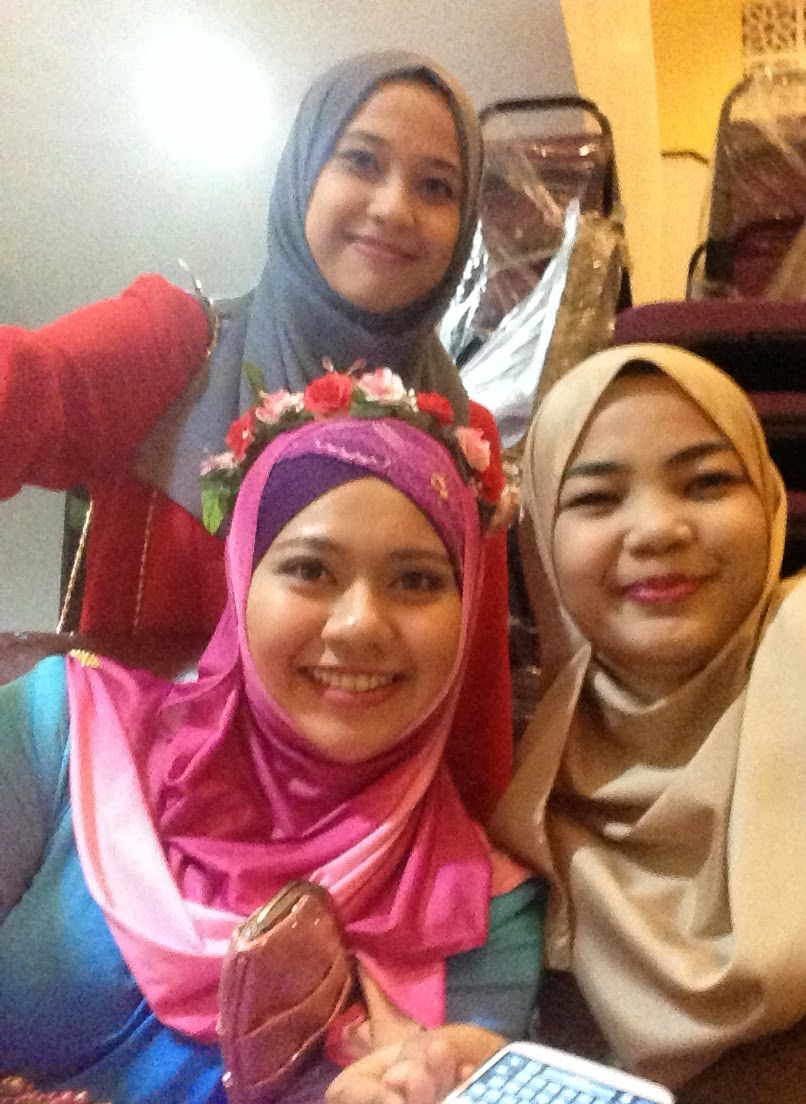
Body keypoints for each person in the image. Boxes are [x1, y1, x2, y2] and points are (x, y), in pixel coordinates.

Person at [332, 344, 806, 1104]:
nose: (659, 528)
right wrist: (489, 1077)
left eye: (707, 483)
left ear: (768, 499)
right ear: (543, 547)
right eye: (596, 498)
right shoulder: (543, 779)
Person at [0, 384, 542, 1104]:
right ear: (242, 577)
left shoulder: (478, 914)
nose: (359, 626)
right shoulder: (61, 730)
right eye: (310, 570)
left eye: (416, 580)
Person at [0, 49, 511, 822]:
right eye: (361, 161)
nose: (394, 208)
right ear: (304, 174)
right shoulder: (173, 347)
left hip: (358, 855)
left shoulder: (464, 439)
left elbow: (472, 725)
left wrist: (479, 875)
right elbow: (21, 391)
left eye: (437, 186)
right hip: (134, 829)